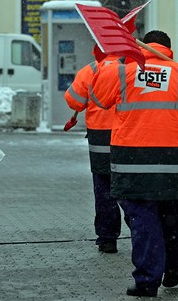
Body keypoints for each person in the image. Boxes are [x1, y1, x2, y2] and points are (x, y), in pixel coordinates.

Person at [90, 30, 178, 297]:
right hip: (173, 164)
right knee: (172, 219)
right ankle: (175, 268)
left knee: (143, 220)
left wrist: (120, 64)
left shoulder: (124, 72)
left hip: (133, 163)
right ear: (169, 49)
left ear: (141, 45)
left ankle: (146, 280)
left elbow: (97, 98)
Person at [64, 48, 125, 253]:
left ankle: (107, 238)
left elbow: (73, 100)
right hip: (126, 135)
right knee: (129, 188)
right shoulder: (131, 69)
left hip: (99, 137)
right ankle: (143, 232)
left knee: (104, 187)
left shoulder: (91, 70)